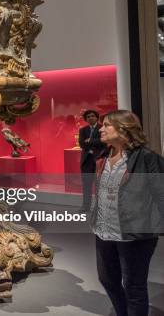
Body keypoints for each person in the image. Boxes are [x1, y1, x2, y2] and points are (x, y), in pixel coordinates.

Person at [90, 110, 164, 316]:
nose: (101, 129)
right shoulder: (104, 157)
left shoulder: (148, 159)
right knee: (107, 279)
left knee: (134, 286)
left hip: (134, 235)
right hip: (104, 231)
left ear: (124, 129)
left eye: (107, 125)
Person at [79, 109, 106, 211]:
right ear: (86, 119)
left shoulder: (101, 128)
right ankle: (85, 207)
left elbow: (103, 142)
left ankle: (99, 208)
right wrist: (95, 142)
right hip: (86, 161)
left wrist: (90, 141)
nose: (90, 118)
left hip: (99, 160)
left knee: (99, 185)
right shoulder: (83, 130)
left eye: (92, 116)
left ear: (97, 117)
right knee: (86, 186)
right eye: (88, 116)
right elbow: (82, 144)